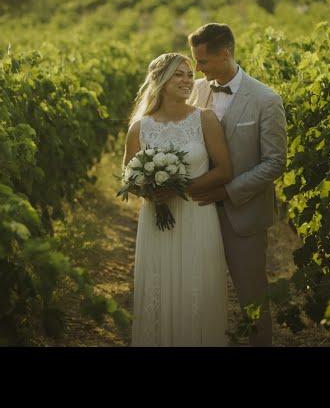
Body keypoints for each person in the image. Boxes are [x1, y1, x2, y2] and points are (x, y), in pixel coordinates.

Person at [186, 23, 287, 347]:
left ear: (225, 53)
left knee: (252, 300)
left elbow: (275, 162)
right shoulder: (197, 92)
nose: (197, 68)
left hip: (243, 215)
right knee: (198, 294)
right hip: (197, 213)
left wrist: (227, 191)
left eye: (202, 61)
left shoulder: (266, 99)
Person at [123, 52, 232, 346]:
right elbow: (129, 177)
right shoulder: (140, 127)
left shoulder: (204, 119)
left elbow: (224, 170)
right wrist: (150, 189)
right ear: (160, 80)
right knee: (159, 287)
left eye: (188, 74)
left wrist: (180, 187)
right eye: (178, 74)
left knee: (197, 288)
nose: (187, 80)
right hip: (156, 222)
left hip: (197, 216)